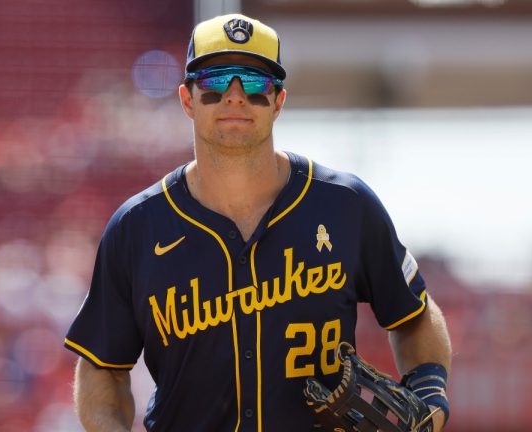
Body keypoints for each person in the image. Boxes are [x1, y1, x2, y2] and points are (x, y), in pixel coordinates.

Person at [64, 13, 452, 432]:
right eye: (215, 81)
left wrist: (429, 391)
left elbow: (413, 314)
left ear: (279, 102)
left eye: (254, 82)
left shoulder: (345, 204)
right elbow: (102, 366)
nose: (235, 97)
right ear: (187, 99)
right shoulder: (137, 227)